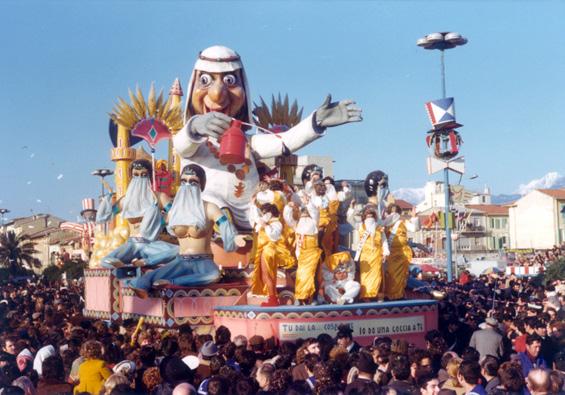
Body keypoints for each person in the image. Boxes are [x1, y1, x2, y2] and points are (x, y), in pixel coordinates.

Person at [172, 45, 362, 230]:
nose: (217, 94)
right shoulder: (193, 142)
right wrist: (196, 125)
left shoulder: (247, 142)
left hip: (253, 217)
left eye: (230, 81)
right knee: (212, 204)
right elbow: (181, 144)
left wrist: (316, 121)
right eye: (205, 80)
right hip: (211, 217)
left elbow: (285, 142)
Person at [128, 164, 243, 298]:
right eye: (184, 181)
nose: (187, 185)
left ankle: (171, 282)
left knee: (213, 275)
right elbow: (152, 230)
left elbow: (225, 226)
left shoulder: (209, 208)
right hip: (180, 261)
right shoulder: (174, 212)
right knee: (147, 278)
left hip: (203, 262)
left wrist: (235, 238)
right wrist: (151, 211)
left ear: (202, 186)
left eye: (193, 182)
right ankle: (147, 285)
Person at [100, 159, 178, 271]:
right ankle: (127, 267)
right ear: (131, 177)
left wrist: (160, 221)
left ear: (150, 177)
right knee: (106, 261)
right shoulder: (125, 201)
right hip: (131, 245)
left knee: (179, 252)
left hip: (151, 244)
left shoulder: (159, 197)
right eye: (136, 175)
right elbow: (106, 216)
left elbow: (174, 215)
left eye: (144, 175)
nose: (140, 178)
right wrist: (106, 202)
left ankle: (144, 262)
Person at [250, 203, 296, 306]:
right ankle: (272, 298)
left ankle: (273, 300)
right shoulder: (268, 222)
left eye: (265, 213)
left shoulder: (277, 223)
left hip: (269, 250)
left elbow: (273, 236)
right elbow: (256, 220)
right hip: (264, 250)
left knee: (268, 275)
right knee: (265, 275)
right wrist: (253, 205)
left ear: (270, 213)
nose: (263, 215)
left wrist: (265, 225)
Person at [283, 202, 323, 305]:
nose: (305, 214)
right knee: (301, 276)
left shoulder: (314, 222)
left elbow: (315, 212)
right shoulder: (296, 224)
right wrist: (288, 207)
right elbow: (287, 218)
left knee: (313, 276)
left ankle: (313, 298)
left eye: (306, 212)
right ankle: (300, 297)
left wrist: (307, 203)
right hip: (301, 255)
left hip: (313, 254)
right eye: (303, 212)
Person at [383, 204, 419, 300]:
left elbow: (415, 228)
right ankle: (389, 295)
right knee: (390, 275)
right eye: (392, 211)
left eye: (396, 212)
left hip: (401, 253)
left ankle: (398, 295)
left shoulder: (403, 222)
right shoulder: (385, 224)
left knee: (400, 275)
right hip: (389, 254)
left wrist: (414, 217)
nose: (394, 214)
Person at [354, 206, 389, 301]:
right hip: (365, 256)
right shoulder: (361, 227)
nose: (370, 218)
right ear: (364, 217)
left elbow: (384, 241)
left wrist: (385, 253)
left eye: (371, 216)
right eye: (367, 216)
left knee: (377, 276)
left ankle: (377, 294)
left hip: (377, 254)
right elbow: (357, 243)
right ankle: (366, 296)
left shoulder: (379, 228)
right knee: (365, 276)